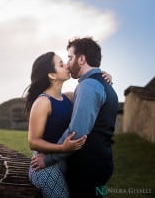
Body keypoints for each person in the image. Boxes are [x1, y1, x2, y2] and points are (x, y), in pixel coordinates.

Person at [31, 37, 118, 198]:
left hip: (88, 166)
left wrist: (48, 159)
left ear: (82, 59)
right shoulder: (98, 86)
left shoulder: (88, 87)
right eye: (63, 62)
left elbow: (76, 133)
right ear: (51, 75)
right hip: (101, 163)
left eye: (70, 58)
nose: (68, 64)